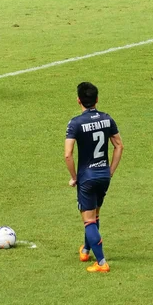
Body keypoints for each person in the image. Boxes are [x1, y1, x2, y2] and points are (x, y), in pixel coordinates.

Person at [64, 82, 124, 272]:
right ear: (96, 100)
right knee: (94, 214)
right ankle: (86, 249)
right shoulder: (107, 119)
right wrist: (110, 171)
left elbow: (68, 154)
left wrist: (74, 177)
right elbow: (119, 146)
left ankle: (101, 262)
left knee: (88, 220)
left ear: (78, 100)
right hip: (103, 175)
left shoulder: (75, 123)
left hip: (87, 178)